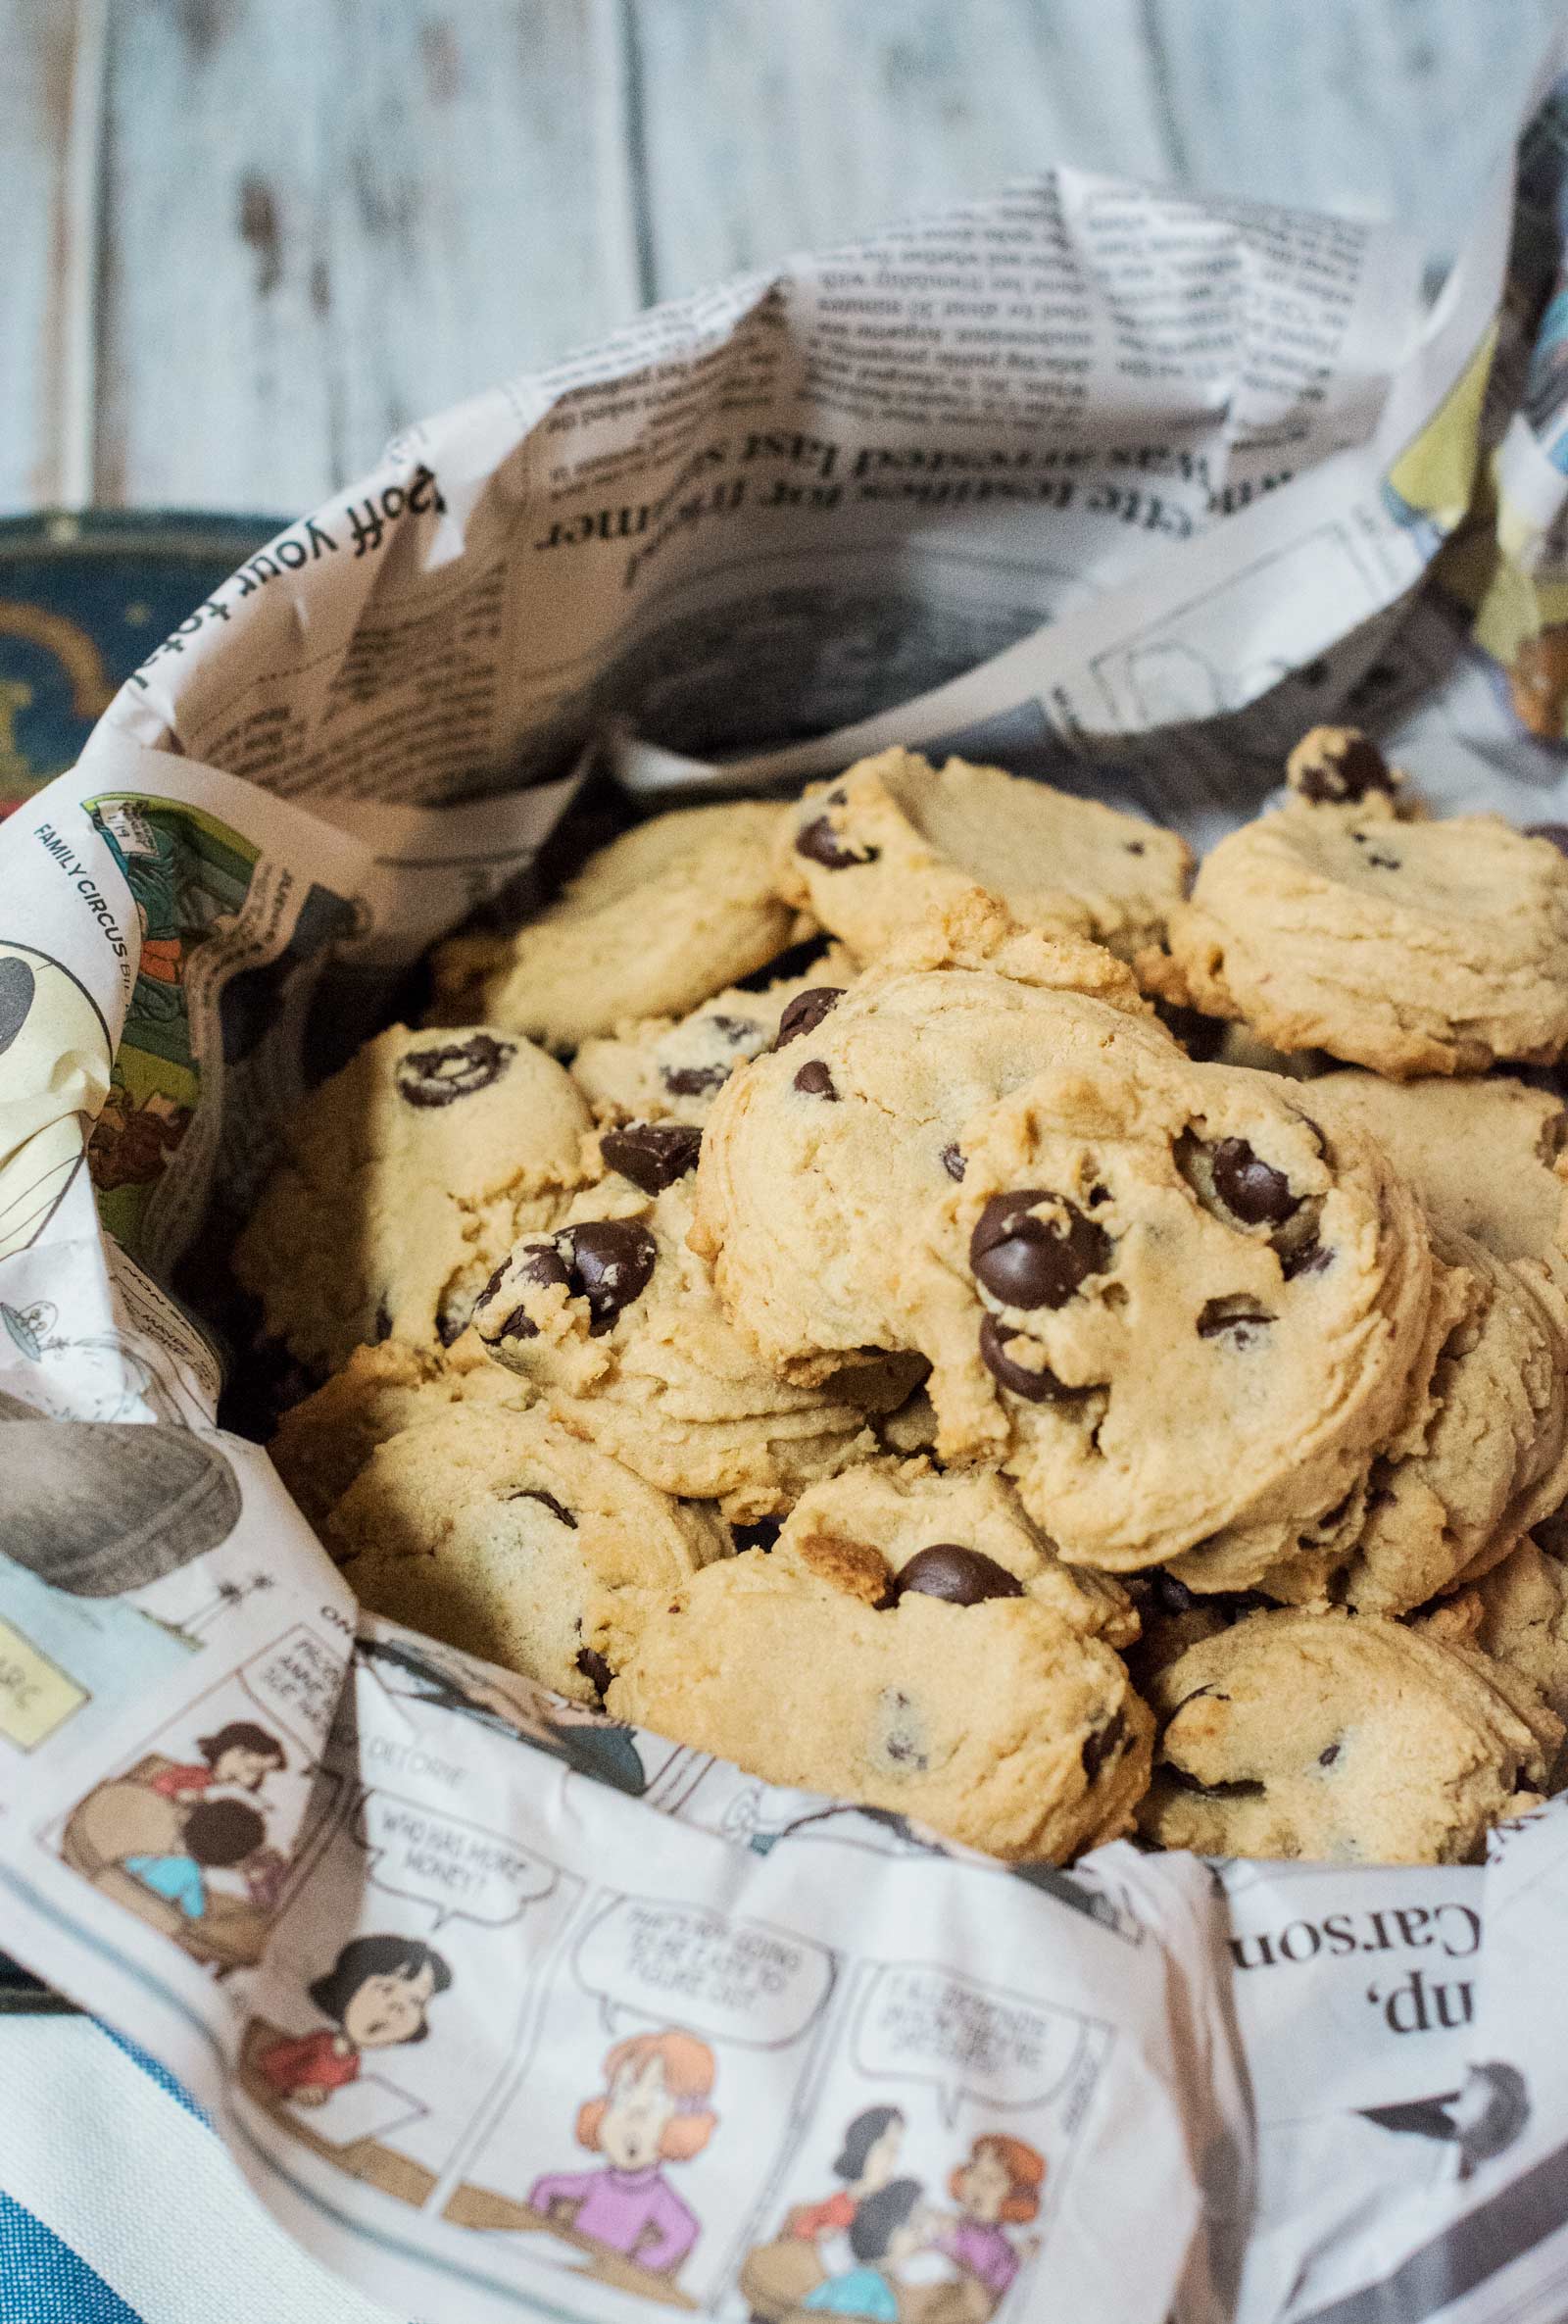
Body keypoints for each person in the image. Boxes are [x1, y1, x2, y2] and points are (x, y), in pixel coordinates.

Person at [526, 2029, 715, 2278]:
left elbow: (685, 2230)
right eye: (623, 2094)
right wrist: (539, 2231)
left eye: (656, 2103)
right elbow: (545, 2187)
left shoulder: (656, 2196)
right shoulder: (597, 2181)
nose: (632, 2116)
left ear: (680, 2124)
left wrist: (635, 2266)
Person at [257, 1933, 452, 2104]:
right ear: (348, 1989)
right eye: (386, 1989)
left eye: (416, 2001)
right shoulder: (320, 2043)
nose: (398, 2008)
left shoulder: (355, 2062)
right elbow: (269, 2063)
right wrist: (292, 2091)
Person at [935, 2134, 1045, 2305]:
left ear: (1012, 2198)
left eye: (992, 2180)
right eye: (974, 2171)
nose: (978, 2184)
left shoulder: (1000, 2246)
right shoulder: (951, 2226)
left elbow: (995, 2286)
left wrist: (1017, 2256)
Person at [802, 2178, 930, 2319]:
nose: (923, 2238)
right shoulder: (873, 2292)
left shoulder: (842, 2281)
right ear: (888, 2233)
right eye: (915, 2228)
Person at [122, 1798, 268, 1921]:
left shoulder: (152, 1856)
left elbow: (125, 1867)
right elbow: (196, 1913)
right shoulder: (193, 1876)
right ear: (230, 1862)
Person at [790, 2106, 906, 2240]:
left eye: (896, 2149)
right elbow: (803, 2227)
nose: (892, 2159)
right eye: (886, 2148)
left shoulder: (895, 2200)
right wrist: (820, 2233)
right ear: (863, 2148)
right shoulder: (841, 2203)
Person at [146, 1720, 286, 1802]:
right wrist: (177, 1794)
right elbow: (161, 1783)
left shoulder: (231, 1796)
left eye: (257, 1770)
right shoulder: (199, 1774)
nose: (242, 1769)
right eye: (243, 1755)